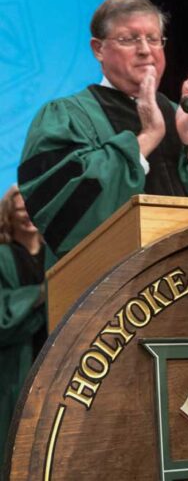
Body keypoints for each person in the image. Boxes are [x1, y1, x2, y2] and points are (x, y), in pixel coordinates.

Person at [17, 0, 188, 265]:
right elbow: (64, 214)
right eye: (129, 39)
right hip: (113, 295)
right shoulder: (66, 117)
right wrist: (147, 137)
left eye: (154, 39)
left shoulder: (187, 116)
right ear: (98, 49)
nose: (145, 49)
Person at [0, 185, 46, 462]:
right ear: (9, 214)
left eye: (34, 205)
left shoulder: (59, 254)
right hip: (15, 366)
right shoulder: (3, 257)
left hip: (53, 355)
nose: (28, 213)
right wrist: (41, 294)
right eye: (20, 208)